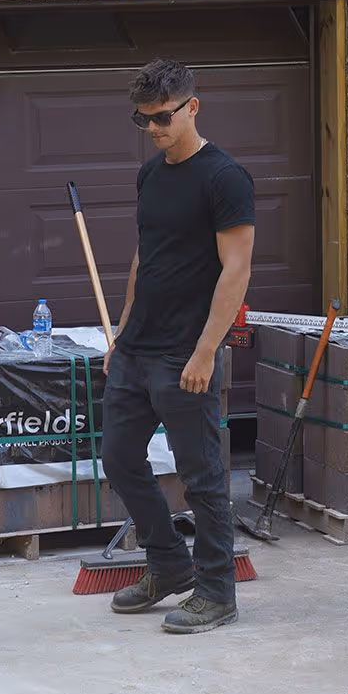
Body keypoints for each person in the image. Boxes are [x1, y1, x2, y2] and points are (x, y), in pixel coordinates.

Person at [101, 59, 255, 634]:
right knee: (118, 456)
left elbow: (235, 270)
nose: (155, 129)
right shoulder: (151, 175)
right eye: (143, 121)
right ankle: (169, 565)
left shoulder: (224, 178)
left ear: (193, 106)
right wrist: (122, 330)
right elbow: (147, 257)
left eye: (163, 118)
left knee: (202, 474)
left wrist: (206, 350)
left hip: (186, 353)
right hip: (139, 347)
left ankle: (218, 590)